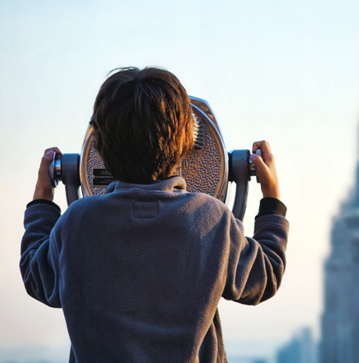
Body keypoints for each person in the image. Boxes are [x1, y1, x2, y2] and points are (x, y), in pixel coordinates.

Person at [20, 67, 289, 363]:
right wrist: (271, 200)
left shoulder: (77, 222)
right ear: (187, 142)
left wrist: (42, 202)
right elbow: (266, 275)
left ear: (97, 146)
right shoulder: (212, 220)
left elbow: (37, 278)